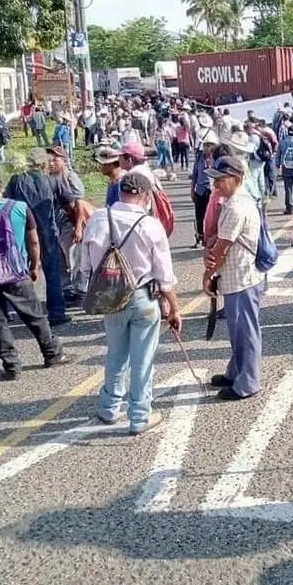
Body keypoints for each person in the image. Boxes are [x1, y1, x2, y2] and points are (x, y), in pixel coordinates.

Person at [82, 172, 180, 434]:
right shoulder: (150, 225)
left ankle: (109, 408)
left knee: (115, 354)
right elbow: (165, 276)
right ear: (146, 197)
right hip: (143, 296)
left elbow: (86, 264)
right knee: (143, 359)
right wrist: (173, 308)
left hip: (111, 297)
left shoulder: (98, 219)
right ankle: (139, 416)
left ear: (119, 192)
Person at [0, 166, 70, 380]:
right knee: (35, 316)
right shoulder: (20, 208)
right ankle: (52, 354)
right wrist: (33, 265)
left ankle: (11, 365)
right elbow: (33, 240)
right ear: (1, 183)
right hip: (17, 272)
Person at [201, 156, 265, 400]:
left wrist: (207, 276)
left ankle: (247, 383)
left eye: (221, 180)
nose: (216, 185)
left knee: (246, 332)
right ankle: (236, 371)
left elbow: (221, 247)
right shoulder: (237, 201)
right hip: (239, 276)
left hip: (242, 278)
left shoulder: (237, 207)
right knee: (239, 330)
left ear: (236, 179)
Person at [5, 148, 69, 325]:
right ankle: (57, 312)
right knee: (52, 272)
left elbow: (6, 203)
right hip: (48, 230)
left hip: (23, 231)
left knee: (20, 273)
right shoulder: (50, 180)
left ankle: (23, 312)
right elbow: (64, 200)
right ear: (42, 164)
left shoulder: (15, 181)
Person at [46, 146, 88, 300]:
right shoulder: (47, 177)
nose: (51, 163)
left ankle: (80, 289)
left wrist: (78, 227)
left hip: (69, 223)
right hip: (54, 224)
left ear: (63, 160)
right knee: (59, 259)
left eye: (55, 160)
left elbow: (80, 203)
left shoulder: (70, 177)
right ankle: (66, 288)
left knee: (74, 258)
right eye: (49, 160)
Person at [190, 138, 216, 248]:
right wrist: (192, 190)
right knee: (199, 216)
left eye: (208, 145)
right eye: (205, 145)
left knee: (211, 217)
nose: (206, 148)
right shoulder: (199, 158)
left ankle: (210, 238)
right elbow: (194, 175)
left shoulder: (216, 158)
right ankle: (199, 238)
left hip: (211, 191)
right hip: (200, 190)